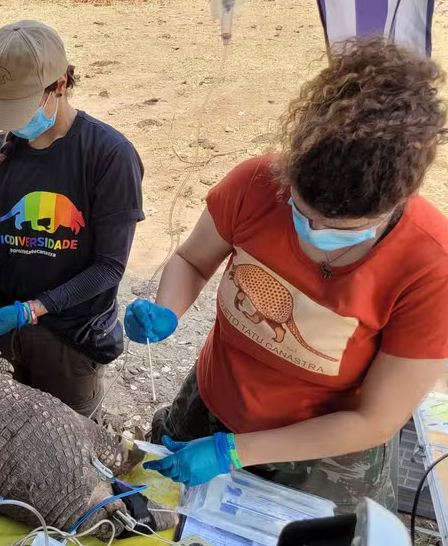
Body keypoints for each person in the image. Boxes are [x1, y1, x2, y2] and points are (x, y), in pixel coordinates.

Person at [125, 38, 448, 512]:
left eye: (345, 230)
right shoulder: (255, 185)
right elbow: (193, 261)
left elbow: (374, 418)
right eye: (302, 211)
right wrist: (167, 309)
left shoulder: (430, 266)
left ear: (397, 201)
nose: (313, 234)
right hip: (212, 405)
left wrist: (239, 451)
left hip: (323, 456)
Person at [0, 21, 145, 418]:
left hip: (71, 342)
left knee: (63, 448)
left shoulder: (109, 156)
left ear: (60, 84)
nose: (13, 123)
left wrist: (34, 309)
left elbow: (109, 267)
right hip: (0, 326)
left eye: (22, 107)